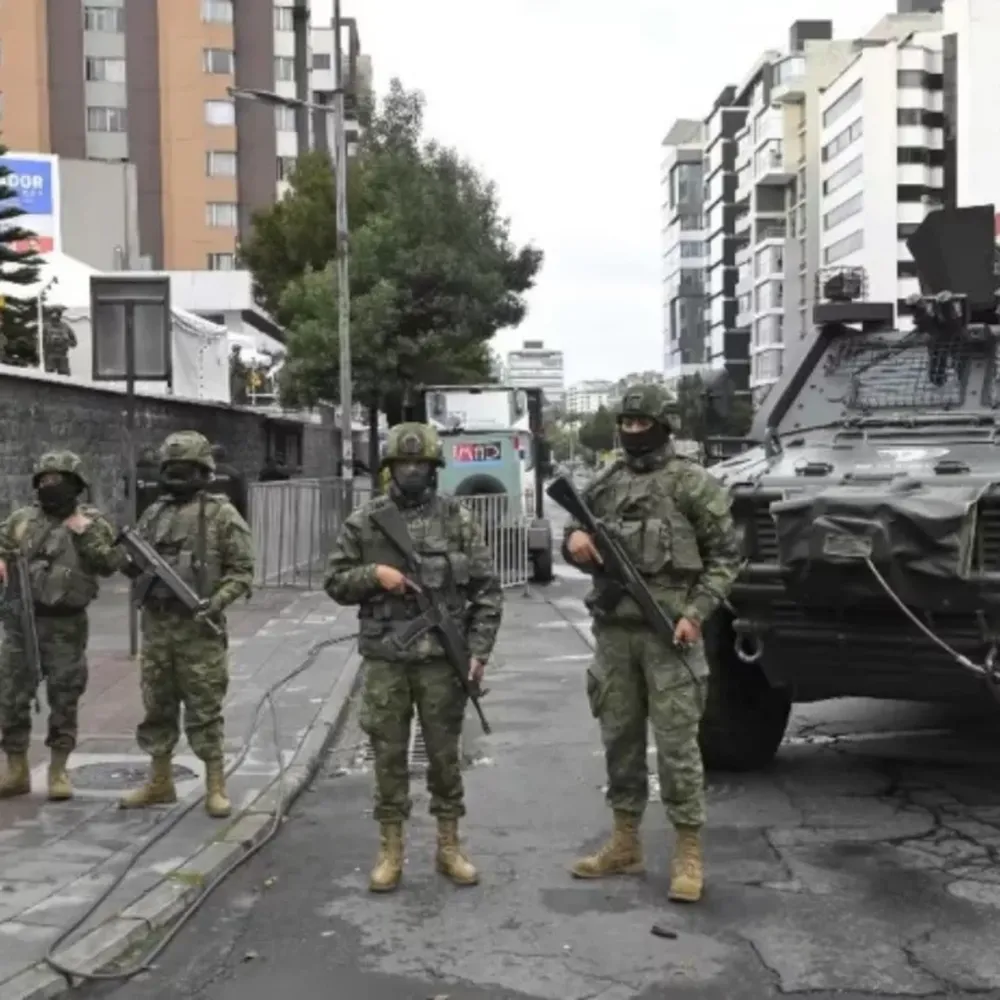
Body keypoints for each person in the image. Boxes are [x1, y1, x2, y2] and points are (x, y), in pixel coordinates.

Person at [563, 383, 741, 904]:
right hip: (615, 636)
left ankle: (688, 852)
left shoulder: (693, 484)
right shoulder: (606, 482)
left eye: (643, 424)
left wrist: (695, 613)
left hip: (671, 637)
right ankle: (624, 844)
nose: (634, 432)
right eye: (628, 424)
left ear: (664, 424)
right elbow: (576, 533)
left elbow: (727, 558)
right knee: (619, 741)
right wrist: (572, 543)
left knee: (678, 749)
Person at [325, 422, 503, 893]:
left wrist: (479, 651)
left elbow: (487, 591)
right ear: (389, 468)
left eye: (420, 464)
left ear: (433, 469)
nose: (411, 471)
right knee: (388, 756)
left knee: (444, 758)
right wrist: (374, 573)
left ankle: (449, 846)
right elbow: (335, 582)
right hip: (386, 659)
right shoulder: (365, 521)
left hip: (443, 663)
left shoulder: (457, 520)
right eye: (403, 464)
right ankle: (391, 850)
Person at [117, 431, 254, 818]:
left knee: (204, 708)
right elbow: (133, 562)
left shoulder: (221, 515)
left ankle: (216, 785)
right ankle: (160, 782)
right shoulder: (155, 513)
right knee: (156, 706)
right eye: (171, 470)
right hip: (157, 627)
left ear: (203, 471)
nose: (177, 476)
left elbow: (243, 571)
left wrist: (218, 601)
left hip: (198, 629)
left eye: (185, 469)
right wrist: (125, 562)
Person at [0, 452, 120, 799]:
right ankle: (17, 769)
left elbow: (108, 563)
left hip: (65, 626)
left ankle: (58, 770)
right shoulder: (22, 520)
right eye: (45, 480)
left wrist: (83, 534)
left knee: (64, 698)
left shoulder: (91, 522)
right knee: (10, 697)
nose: (51, 487)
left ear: (77, 484)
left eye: (60, 480)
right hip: (21, 623)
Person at [210, 444, 248, 521]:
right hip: (230, 515)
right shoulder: (235, 474)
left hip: (209, 516)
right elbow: (241, 500)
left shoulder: (203, 474)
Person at [124, 445, 163, 519]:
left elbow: (127, 494)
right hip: (158, 513)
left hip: (138, 514)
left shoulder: (132, 473)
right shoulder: (162, 473)